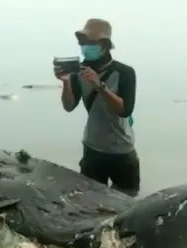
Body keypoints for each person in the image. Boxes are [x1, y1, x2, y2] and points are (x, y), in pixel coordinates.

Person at [56, 18, 139, 196]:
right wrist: (65, 82)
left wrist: (99, 85)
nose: (86, 47)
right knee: (90, 202)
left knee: (127, 201)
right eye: (83, 42)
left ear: (104, 45)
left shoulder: (124, 72)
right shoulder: (78, 73)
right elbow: (69, 106)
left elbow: (125, 110)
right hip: (92, 149)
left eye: (91, 43)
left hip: (122, 151)